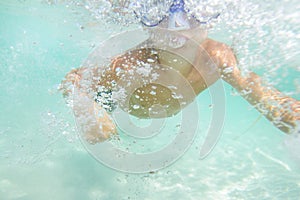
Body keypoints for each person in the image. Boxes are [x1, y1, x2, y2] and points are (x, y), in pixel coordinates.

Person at [60, 0, 300, 144]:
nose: (180, 25)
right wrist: (87, 109)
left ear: (211, 21)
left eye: (196, 13)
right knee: (105, 134)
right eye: (162, 13)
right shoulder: (131, 65)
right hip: (112, 97)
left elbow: (272, 103)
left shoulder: (217, 58)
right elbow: (77, 80)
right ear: (147, 25)